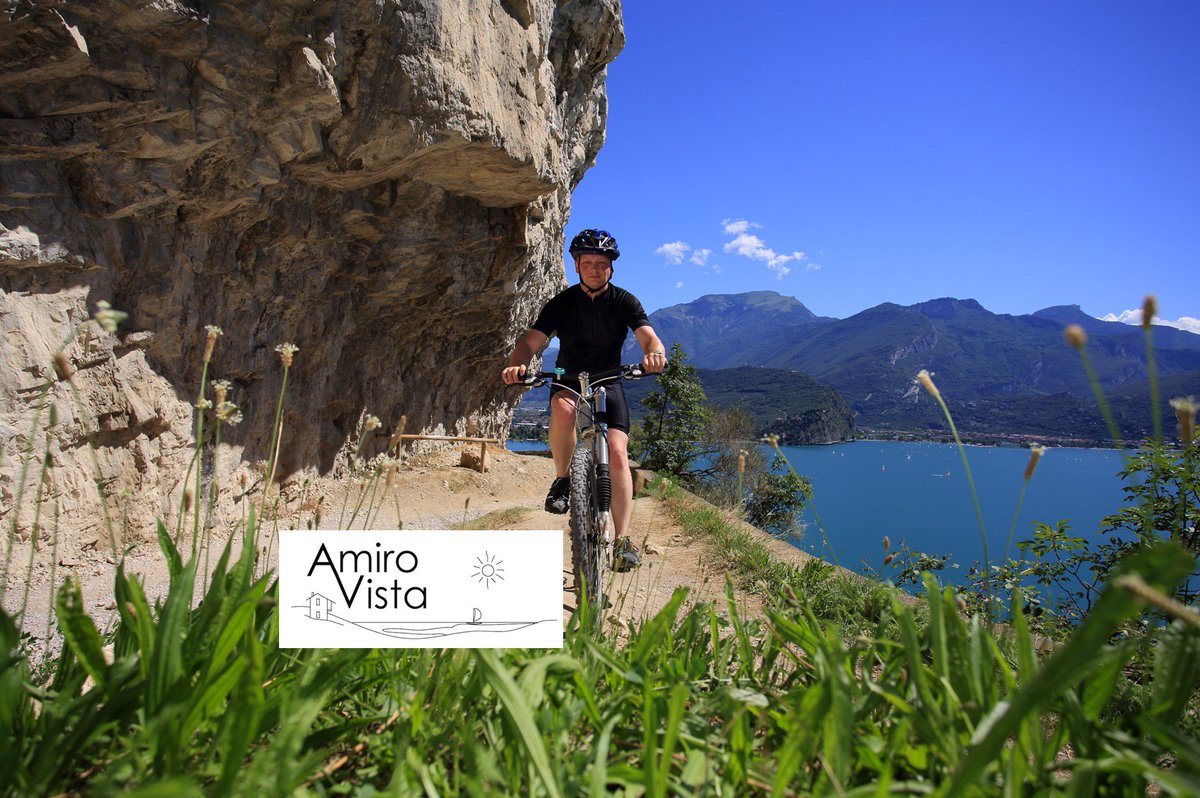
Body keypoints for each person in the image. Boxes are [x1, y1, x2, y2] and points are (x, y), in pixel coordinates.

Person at [501, 229, 666, 571]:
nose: (594, 269)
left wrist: (655, 354)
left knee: (619, 453)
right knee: (562, 410)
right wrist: (517, 363)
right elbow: (530, 342)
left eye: (601, 264)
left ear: (611, 268)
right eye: (588, 263)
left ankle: (622, 540)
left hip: (610, 379)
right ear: (576, 266)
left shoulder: (625, 301)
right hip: (569, 378)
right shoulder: (562, 303)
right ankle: (564, 479)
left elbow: (649, 338)